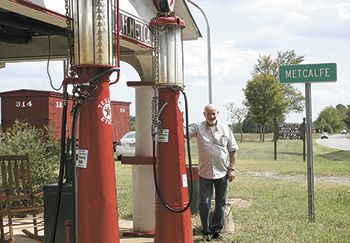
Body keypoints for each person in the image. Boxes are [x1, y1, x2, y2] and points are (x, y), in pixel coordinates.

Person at [186, 104, 238, 242]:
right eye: (208, 114)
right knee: (204, 203)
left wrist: (231, 169)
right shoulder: (198, 128)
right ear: (204, 114)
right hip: (205, 172)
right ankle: (206, 231)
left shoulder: (225, 129)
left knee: (221, 202)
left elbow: (233, 149)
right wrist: (180, 116)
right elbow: (185, 133)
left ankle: (217, 230)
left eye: (213, 113)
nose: (211, 116)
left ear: (217, 113)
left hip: (222, 172)